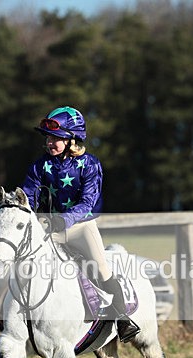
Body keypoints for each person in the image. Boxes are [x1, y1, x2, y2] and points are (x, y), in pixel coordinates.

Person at [21, 106, 140, 342]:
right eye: (48, 137)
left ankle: (122, 318)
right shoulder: (39, 166)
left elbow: (87, 202)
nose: (50, 142)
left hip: (81, 228)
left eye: (56, 137)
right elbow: (29, 196)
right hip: (49, 229)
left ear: (72, 139)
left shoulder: (90, 164)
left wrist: (63, 220)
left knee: (100, 268)